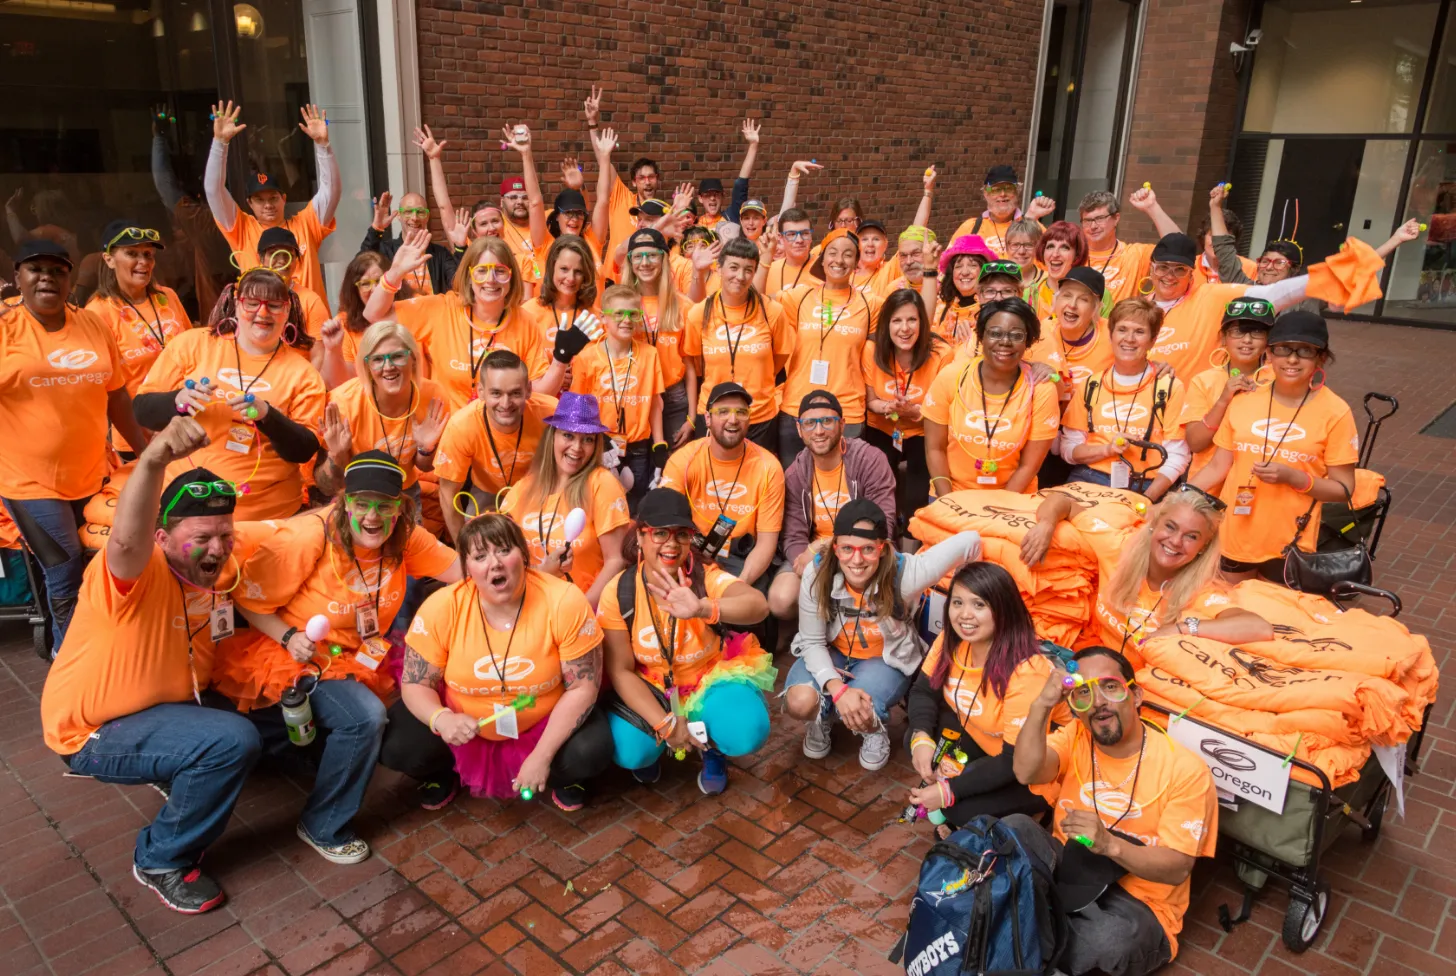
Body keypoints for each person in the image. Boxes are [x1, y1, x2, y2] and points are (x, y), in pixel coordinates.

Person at [40, 417, 260, 913]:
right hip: (91, 731)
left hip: (165, 706)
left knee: (262, 713)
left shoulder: (216, 572)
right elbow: (122, 542)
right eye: (202, 536)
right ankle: (161, 858)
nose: (218, 547)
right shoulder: (131, 571)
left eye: (225, 534)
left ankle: (180, 765)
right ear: (160, 537)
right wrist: (155, 458)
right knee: (231, 742)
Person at [218, 452, 461, 855]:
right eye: (362, 502)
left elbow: (464, 570)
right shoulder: (309, 537)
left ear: (400, 508)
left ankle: (291, 755)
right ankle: (323, 824)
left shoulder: (404, 537)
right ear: (344, 501)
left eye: (384, 505)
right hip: (291, 652)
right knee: (365, 718)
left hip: (357, 654)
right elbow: (246, 601)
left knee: (375, 705)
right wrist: (287, 636)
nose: (372, 516)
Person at [381, 513, 613, 811]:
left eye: (504, 550)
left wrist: (542, 756)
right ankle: (439, 773)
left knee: (591, 750)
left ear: (524, 556)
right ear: (467, 568)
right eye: (480, 556)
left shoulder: (564, 600)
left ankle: (565, 777)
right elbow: (415, 682)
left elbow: (582, 687)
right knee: (397, 744)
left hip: (544, 718)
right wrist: (442, 718)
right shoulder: (442, 606)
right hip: (464, 720)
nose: (495, 563)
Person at [1013, 646, 1219, 976]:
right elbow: (1026, 772)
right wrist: (1041, 705)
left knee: (1108, 940)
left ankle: (1024, 934)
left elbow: (1178, 867)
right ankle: (1038, 938)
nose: (1097, 703)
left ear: (1135, 695)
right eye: (1083, 693)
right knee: (1013, 829)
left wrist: (1109, 845)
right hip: (1068, 868)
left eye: (1109, 686)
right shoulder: (1076, 735)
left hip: (1137, 901)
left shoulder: (1186, 770)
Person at [2, 240, 148, 649]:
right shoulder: (4, 329)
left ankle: (95, 649)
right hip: (29, 482)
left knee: (99, 563)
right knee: (63, 569)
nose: (47, 276)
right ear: (19, 278)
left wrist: (144, 451)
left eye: (57, 269)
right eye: (35, 268)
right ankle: (72, 666)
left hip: (92, 475)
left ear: (69, 279)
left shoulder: (92, 324)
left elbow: (117, 394)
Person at [599, 488, 774, 793]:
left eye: (681, 534)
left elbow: (758, 605)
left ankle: (713, 749)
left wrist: (703, 607)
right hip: (652, 686)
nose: (671, 543)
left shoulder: (705, 577)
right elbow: (621, 670)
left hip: (706, 678)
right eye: (660, 533)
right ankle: (652, 750)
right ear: (640, 536)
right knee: (631, 751)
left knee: (749, 731)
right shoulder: (618, 592)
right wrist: (664, 725)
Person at [785, 500, 981, 770]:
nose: (857, 560)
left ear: (883, 548)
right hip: (832, 651)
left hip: (885, 658)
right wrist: (838, 690)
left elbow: (971, 539)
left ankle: (873, 730)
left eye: (868, 549)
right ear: (835, 548)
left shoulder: (908, 572)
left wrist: (972, 576)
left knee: (864, 707)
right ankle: (823, 717)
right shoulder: (817, 573)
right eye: (847, 549)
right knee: (800, 701)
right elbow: (812, 641)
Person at [134, 268, 324, 521]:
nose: (263, 313)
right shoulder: (192, 345)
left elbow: (305, 449)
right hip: (185, 504)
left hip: (267, 513)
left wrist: (267, 416)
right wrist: (177, 400)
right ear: (236, 304)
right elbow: (141, 410)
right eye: (253, 303)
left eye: (275, 305)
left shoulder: (303, 373)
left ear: (287, 310)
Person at [1020, 483, 1275, 667]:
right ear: (1154, 525)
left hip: (1140, 686)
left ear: (1203, 548)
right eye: (1170, 527)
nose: (1175, 541)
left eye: (1191, 537)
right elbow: (1061, 502)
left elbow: (1259, 628)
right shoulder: (1117, 546)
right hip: (1089, 659)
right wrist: (1046, 525)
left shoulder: (1200, 592)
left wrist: (1183, 628)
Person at [1191, 310, 1358, 581]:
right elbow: (1218, 466)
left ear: (1321, 359)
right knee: (1226, 612)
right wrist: (1181, 499)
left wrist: (1296, 478)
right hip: (1235, 536)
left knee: (1271, 621)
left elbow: (1344, 489)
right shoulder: (1244, 400)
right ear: (1269, 355)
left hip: (1291, 544)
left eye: (1305, 351)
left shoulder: (1336, 412)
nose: (1292, 359)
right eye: (1283, 349)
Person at [905, 562, 1068, 829]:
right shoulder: (952, 639)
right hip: (985, 740)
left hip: (1031, 770)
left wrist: (949, 792)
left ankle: (1029, 814)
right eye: (957, 602)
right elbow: (924, 690)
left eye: (979, 605)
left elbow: (1013, 761)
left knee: (958, 810)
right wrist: (921, 738)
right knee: (916, 737)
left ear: (1003, 610)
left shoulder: (1027, 671)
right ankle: (969, 784)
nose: (964, 615)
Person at [366, 231, 596, 409]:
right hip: (451, 440)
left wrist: (560, 358)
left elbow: (538, 393)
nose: (491, 280)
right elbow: (374, 315)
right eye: (482, 271)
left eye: (500, 271)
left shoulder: (524, 321)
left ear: (511, 277)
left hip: (504, 439)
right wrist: (394, 273)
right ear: (468, 275)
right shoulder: (442, 308)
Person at [769, 391, 896, 619]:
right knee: (780, 599)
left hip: (864, 551)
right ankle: (819, 626)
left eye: (827, 421)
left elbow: (883, 524)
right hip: (816, 558)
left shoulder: (870, 460)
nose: (818, 431)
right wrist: (815, 564)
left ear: (842, 424)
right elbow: (793, 537)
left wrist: (822, 548)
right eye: (809, 423)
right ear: (799, 429)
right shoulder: (796, 474)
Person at [498, 392, 629, 607]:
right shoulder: (525, 487)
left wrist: (581, 611)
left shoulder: (602, 484)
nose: (577, 448)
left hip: (580, 608)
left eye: (587, 439)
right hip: (529, 605)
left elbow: (616, 560)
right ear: (553, 436)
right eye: (568, 435)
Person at [203, 101, 339, 305]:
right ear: (249, 203)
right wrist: (219, 144)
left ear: (284, 199)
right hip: (264, 327)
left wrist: (323, 146)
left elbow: (332, 190)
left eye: (273, 198)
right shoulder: (241, 229)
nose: (268, 205)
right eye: (260, 200)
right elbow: (213, 191)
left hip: (310, 327)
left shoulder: (306, 223)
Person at [923, 298, 1060, 496]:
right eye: (995, 333)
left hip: (1012, 498)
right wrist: (948, 502)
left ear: (1028, 341)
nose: (1005, 342)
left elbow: (1029, 466)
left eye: (1016, 335)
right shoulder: (951, 376)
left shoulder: (1041, 390)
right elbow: (935, 449)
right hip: (951, 493)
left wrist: (996, 511)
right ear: (981, 337)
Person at [658, 382, 784, 589]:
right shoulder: (683, 460)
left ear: (749, 418)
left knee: (752, 605)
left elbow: (766, 543)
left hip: (742, 557)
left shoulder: (768, 467)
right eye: (723, 412)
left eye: (741, 412)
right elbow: (665, 526)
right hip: (691, 551)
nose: (732, 420)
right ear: (707, 419)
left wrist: (737, 588)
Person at [1061, 298, 1189, 501]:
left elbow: (1178, 456)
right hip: (1089, 478)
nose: (1129, 339)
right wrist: (1107, 450)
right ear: (1110, 334)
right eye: (1122, 329)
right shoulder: (1091, 385)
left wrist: (1146, 499)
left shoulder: (1169, 387)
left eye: (1139, 332)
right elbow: (1068, 450)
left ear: (1153, 340)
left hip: (1146, 484)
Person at [86, 221, 194, 457]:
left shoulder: (168, 296)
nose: (143, 262)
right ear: (109, 259)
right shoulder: (98, 312)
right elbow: (103, 389)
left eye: (148, 254)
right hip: (139, 436)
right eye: (132, 254)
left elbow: (193, 352)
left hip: (187, 426)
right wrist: (141, 438)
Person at [775, 229, 884, 463]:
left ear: (856, 262)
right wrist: (764, 259)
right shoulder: (798, 297)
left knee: (843, 491)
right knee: (796, 490)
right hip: (797, 408)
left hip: (847, 411)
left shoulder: (870, 304)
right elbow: (758, 306)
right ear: (822, 259)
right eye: (832, 253)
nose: (839, 260)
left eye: (848, 254)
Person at [315, 323, 448, 505]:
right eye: (378, 359)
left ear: (414, 359)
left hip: (405, 493)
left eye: (397, 356)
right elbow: (327, 487)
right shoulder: (343, 403)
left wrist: (426, 449)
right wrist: (337, 455)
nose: (388, 366)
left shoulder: (434, 396)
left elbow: (423, 466)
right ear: (367, 365)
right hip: (356, 496)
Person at [682, 237, 794, 451]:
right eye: (733, 268)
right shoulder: (700, 313)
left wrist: (758, 376)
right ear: (719, 268)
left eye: (748, 270)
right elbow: (693, 363)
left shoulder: (772, 311)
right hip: (714, 415)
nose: (740, 276)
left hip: (759, 414)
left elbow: (779, 357)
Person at [569, 285, 666, 510]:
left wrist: (659, 444)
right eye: (618, 313)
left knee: (635, 504)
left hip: (638, 446)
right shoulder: (587, 356)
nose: (626, 320)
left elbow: (654, 404)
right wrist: (595, 439)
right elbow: (579, 409)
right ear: (603, 317)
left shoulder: (650, 354)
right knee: (602, 504)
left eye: (633, 314)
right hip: (601, 444)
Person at [861, 289, 953, 515]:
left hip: (924, 432)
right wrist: (888, 407)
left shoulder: (942, 353)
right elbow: (871, 401)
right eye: (897, 321)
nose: (905, 329)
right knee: (878, 491)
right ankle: (882, 543)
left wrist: (914, 413)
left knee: (917, 497)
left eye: (912, 320)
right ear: (886, 324)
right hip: (882, 428)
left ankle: (913, 545)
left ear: (923, 322)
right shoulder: (871, 349)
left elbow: (943, 412)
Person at [1178, 299, 1273, 484]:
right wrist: (1223, 400)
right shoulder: (1204, 380)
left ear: (1269, 339)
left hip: (1256, 484)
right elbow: (1195, 443)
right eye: (1238, 332)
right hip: (1207, 487)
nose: (1247, 339)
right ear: (1223, 338)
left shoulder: (1278, 380)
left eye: (1257, 332)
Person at [621, 227, 696, 448]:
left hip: (674, 396)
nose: (645, 262)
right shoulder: (620, 303)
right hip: (634, 393)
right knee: (640, 470)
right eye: (638, 256)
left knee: (674, 469)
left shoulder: (682, 306)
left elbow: (689, 364)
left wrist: (692, 416)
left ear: (663, 259)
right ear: (630, 261)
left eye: (652, 255)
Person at [314, 250, 414, 389]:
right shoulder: (344, 324)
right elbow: (339, 384)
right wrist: (333, 349)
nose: (374, 289)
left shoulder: (412, 309)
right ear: (354, 291)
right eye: (365, 284)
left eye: (379, 281)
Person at [1026, 266, 1114, 403]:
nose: (1072, 305)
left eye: (1083, 299)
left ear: (1095, 308)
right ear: (1055, 300)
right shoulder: (1039, 332)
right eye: (1066, 295)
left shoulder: (1112, 335)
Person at [362, 190, 463, 296]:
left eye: (420, 212)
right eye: (408, 212)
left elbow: (459, 284)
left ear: (427, 217)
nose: (414, 218)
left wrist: (461, 248)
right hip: (398, 312)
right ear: (399, 215)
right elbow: (360, 267)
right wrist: (376, 229)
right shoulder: (387, 250)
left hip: (434, 312)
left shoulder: (440, 253)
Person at [950, 165, 1056, 257]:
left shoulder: (1035, 227)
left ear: (1017, 192)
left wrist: (1030, 218)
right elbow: (947, 267)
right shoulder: (970, 228)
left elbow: (1049, 267)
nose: (1002, 194)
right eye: (996, 189)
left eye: (1008, 188)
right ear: (986, 194)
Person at [520, 234, 600, 348]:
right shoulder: (528, 312)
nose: (571, 278)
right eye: (564, 269)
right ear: (552, 267)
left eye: (578, 271)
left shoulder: (595, 319)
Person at [255, 227, 331, 338]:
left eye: (288, 255)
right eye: (274, 254)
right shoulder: (248, 298)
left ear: (296, 261)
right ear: (261, 259)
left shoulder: (311, 301)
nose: (281, 261)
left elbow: (319, 353)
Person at [932, 234, 998, 346]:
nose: (965, 272)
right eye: (958, 266)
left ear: (984, 271)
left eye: (972, 265)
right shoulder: (940, 307)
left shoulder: (994, 311)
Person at [1027, 220, 1089, 318]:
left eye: (1065, 247)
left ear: (1077, 255)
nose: (1055, 254)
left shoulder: (1094, 295)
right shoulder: (1027, 294)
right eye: (1050, 246)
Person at [759, 206, 821, 297]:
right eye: (792, 234)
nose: (799, 240)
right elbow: (755, 303)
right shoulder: (768, 270)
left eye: (805, 233)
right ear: (781, 238)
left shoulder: (825, 268)